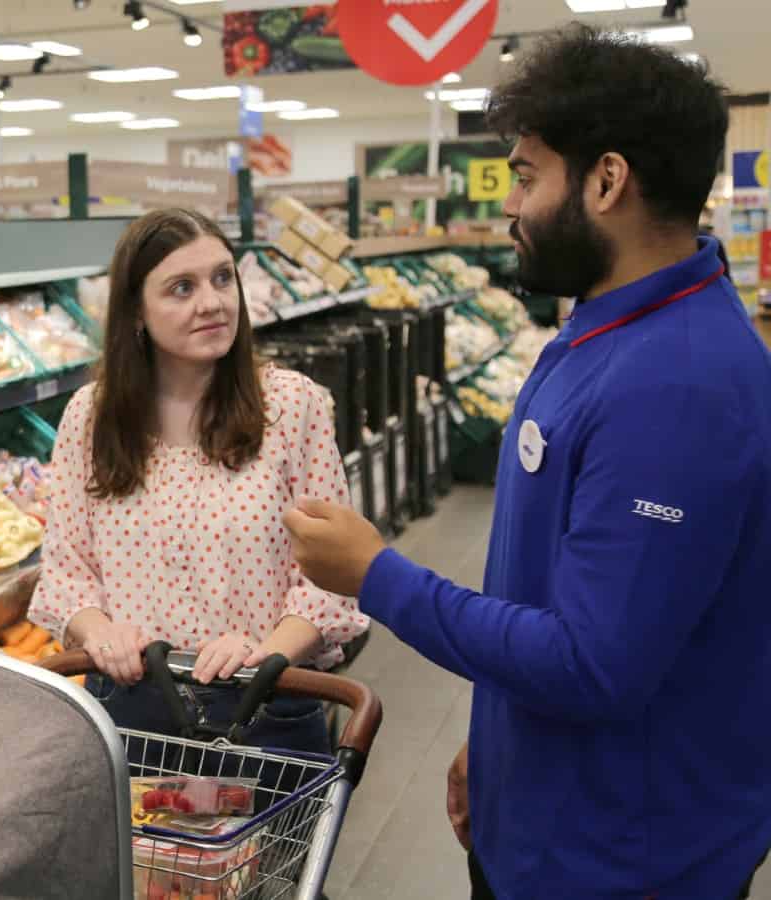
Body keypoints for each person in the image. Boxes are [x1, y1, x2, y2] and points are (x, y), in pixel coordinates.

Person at [282, 26, 771, 900]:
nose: (509, 206)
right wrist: (502, 740)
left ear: (608, 180)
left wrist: (376, 575)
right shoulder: (603, 324)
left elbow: (594, 663)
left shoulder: (680, 383)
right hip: (549, 808)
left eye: (525, 175)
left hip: (624, 862)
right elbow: (558, 588)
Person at [27, 207, 368, 761]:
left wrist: (266, 654)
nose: (211, 302)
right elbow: (68, 571)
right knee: (141, 852)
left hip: (266, 708)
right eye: (181, 288)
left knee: (266, 850)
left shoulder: (290, 406)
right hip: (134, 711)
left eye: (222, 278)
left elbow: (333, 575)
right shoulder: (90, 418)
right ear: (136, 311)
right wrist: (98, 633)